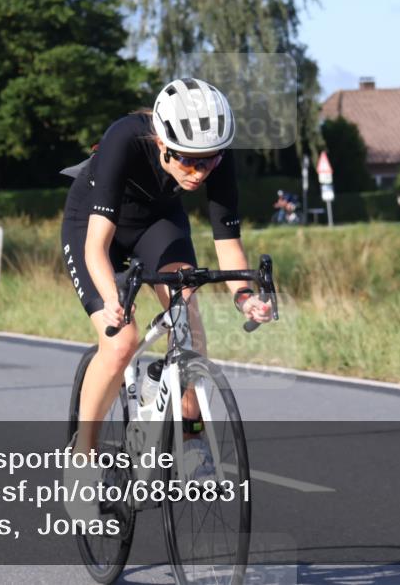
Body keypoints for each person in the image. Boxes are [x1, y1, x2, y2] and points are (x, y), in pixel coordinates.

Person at [59, 78, 272, 518]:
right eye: (188, 162)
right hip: (96, 225)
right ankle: (82, 456)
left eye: (208, 162)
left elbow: (227, 242)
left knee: (187, 321)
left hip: (158, 222)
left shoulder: (216, 157)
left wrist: (245, 296)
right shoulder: (124, 139)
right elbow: (97, 248)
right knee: (119, 343)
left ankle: (191, 442)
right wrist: (111, 299)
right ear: (162, 143)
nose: (199, 173)